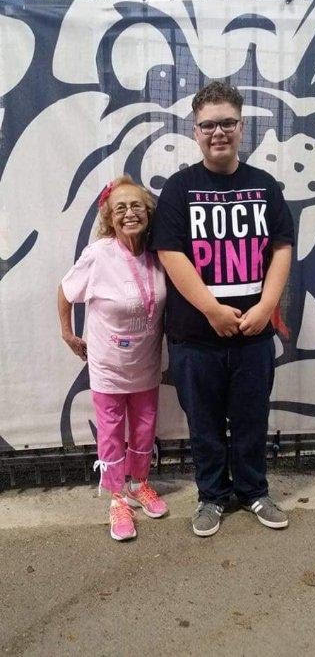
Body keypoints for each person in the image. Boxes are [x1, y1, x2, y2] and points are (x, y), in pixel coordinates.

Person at [150, 81, 294, 537]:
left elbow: (282, 249)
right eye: (208, 124)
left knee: (252, 420)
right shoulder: (179, 189)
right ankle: (211, 497)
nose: (218, 132)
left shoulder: (264, 185)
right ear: (195, 131)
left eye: (227, 123)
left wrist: (267, 304)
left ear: (241, 126)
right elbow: (170, 254)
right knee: (205, 425)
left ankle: (253, 491)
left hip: (254, 336)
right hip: (195, 337)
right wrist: (212, 309)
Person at [58, 175, 168, 541]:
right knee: (110, 434)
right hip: (108, 367)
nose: (130, 213)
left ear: (148, 212)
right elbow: (64, 290)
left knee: (143, 429)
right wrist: (67, 333)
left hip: (146, 365)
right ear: (110, 216)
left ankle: (140, 483)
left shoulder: (158, 254)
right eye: (120, 208)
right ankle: (117, 498)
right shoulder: (99, 254)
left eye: (137, 205)